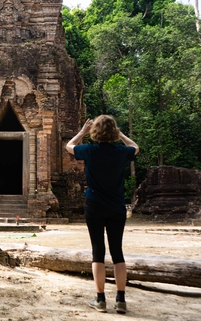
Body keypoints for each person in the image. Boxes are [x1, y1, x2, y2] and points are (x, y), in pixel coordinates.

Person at [66, 115, 139, 314]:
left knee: (98, 251)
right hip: (116, 207)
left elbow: (69, 146)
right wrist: (121, 134)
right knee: (117, 252)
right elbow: (136, 147)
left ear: (95, 132)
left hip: (94, 205)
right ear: (114, 132)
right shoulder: (121, 152)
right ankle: (121, 299)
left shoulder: (89, 150)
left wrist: (82, 132)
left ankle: (100, 299)